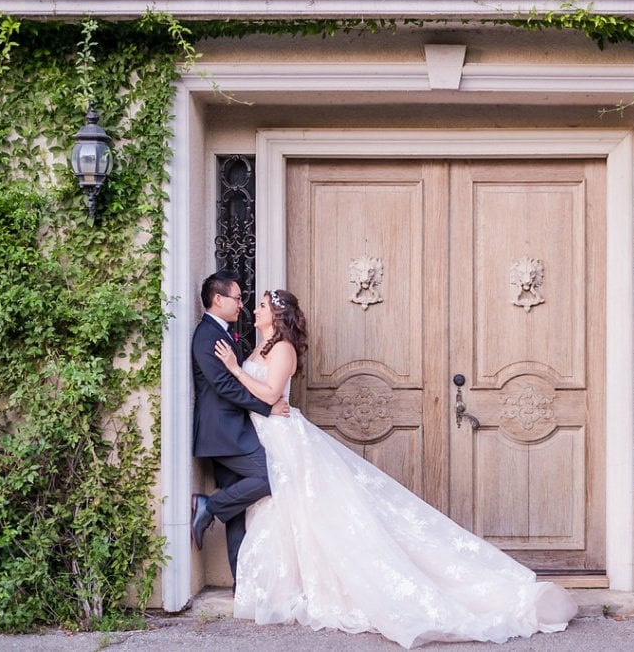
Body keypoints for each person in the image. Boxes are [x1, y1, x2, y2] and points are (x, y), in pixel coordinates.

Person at [212, 289, 578, 649]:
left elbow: (271, 394)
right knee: (285, 509)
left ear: (276, 316)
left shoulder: (283, 349)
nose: (254, 310)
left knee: (310, 508)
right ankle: (291, 584)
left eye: (260, 306)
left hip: (284, 434)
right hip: (266, 435)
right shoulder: (259, 348)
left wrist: (232, 369)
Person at [190, 270, 289, 587]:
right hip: (223, 433)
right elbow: (222, 385)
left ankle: (241, 584)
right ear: (217, 299)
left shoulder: (226, 334)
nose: (242, 305)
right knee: (270, 475)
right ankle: (208, 505)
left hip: (236, 430)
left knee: (238, 510)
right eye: (237, 298)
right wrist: (267, 407)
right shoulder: (207, 335)